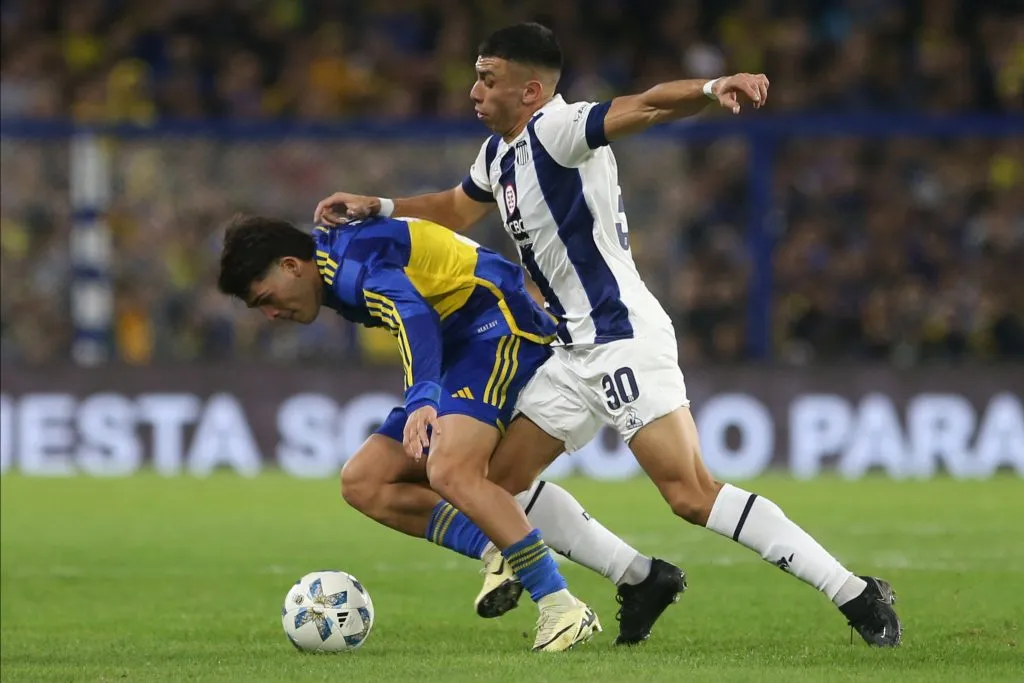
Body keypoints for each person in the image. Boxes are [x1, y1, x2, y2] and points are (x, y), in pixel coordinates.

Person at [313, 22, 902, 647]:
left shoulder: (558, 130)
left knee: (690, 494)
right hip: (570, 353)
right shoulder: (499, 154)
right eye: (476, 76)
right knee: (490, 484)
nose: (474, 91)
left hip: (622, 339)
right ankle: (641, 579)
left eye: (489, 79)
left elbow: (644, 105)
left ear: (531, 90)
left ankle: (856, 593)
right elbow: (456, 208)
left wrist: (710, 87)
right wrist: (378, 206)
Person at [218, 213, 672, 651]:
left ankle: (560, 606)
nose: (271, 313)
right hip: (460, 347)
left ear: (291, 266)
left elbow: (413, 312)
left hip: (496, 324)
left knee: (454, 473)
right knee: (364, 481)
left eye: (265, 299)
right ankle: (503, 550)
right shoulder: (333, 258)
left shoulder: (349, 266)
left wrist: (422, 398)